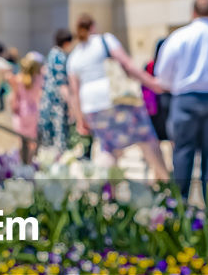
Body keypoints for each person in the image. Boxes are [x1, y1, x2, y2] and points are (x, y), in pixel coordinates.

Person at [154, 0, 208, 205]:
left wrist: (173, 85)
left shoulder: (179, 37)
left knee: (183, 149)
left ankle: (180, 202)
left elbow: (162, 73)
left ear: (192, 12)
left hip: (186, 98)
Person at [67, 13, 169, 180]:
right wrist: (152, 83)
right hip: (116, 98)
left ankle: (107, 193)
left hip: (92, 107)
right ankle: (165, 183)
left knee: (108, 149)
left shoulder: (74, 57)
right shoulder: (105, 40)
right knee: (146, 138)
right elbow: (128, 65)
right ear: (93, 27)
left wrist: (79, 119)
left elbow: (74, 93)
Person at [39, 28, 74, 151]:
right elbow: (62, 84)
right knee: (59, 138)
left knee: (49, 140)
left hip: (47, 101)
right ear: (66, 42)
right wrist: (72, 105)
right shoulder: (60, 57)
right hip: (57, 103)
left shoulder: (51, 55)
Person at [9, 52, 44, 160]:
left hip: (21, 112)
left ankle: (21, 162)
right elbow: (39, 96)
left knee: (20, 140)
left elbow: (15, 96)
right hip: (33, 111)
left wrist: (13, 107)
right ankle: (30, 161)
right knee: (32, 140)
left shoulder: (18, 79)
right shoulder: (38, 79)